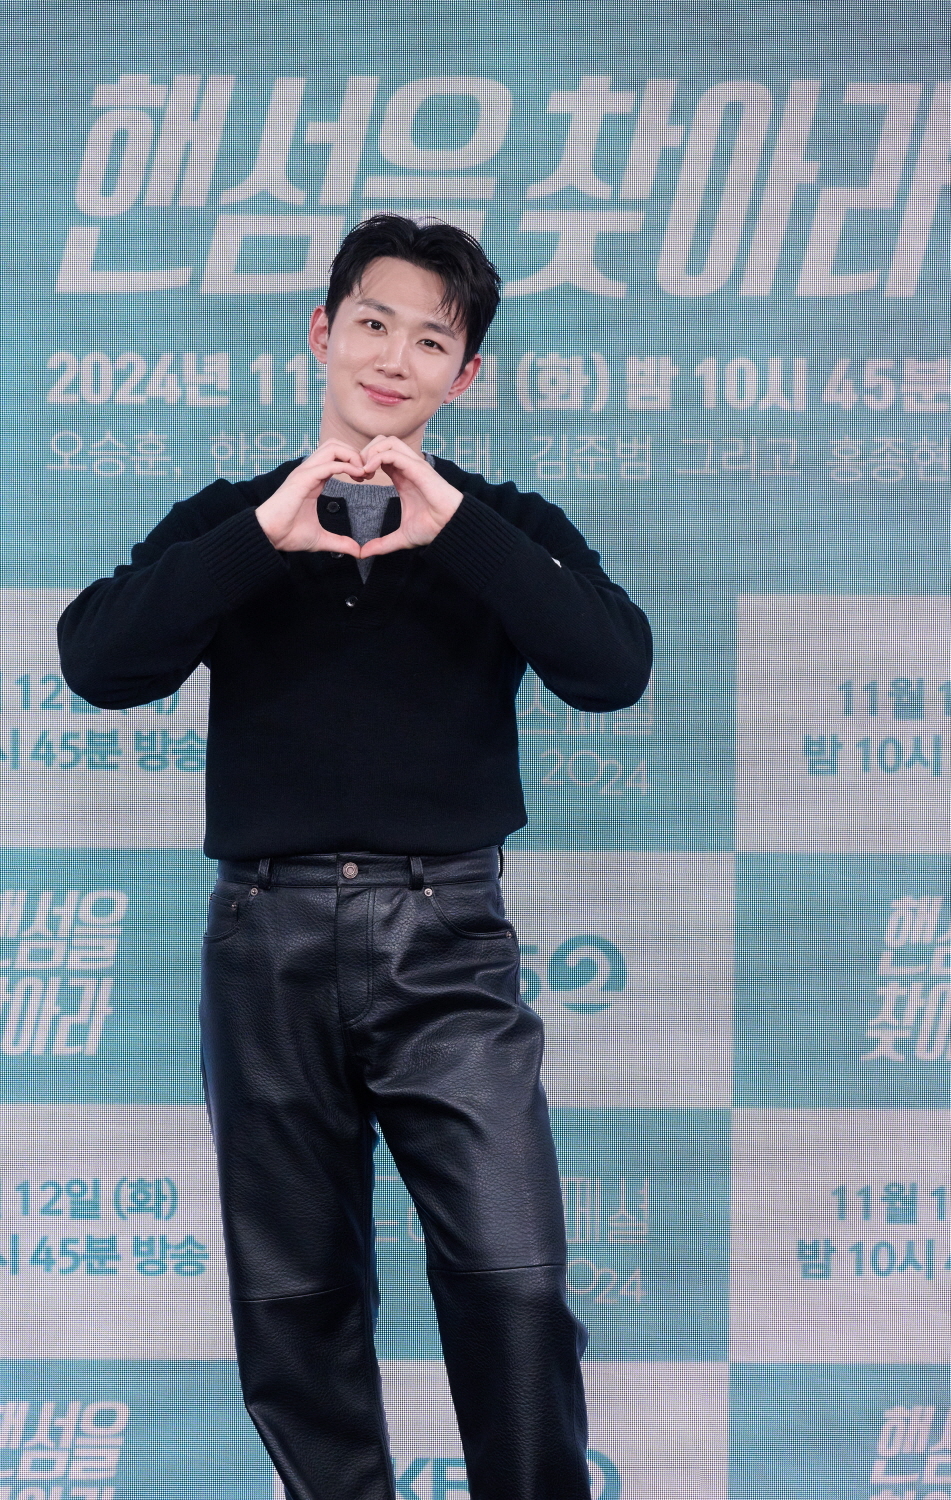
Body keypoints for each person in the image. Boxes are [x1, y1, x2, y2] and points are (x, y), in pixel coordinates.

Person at [58, 213, 653, 1500]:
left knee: (513, 1278)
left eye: (430, 341)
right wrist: (257, 540)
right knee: (295, 1300)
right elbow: (98, 663)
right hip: (263, 945)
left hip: (447, 944)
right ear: (323, 331)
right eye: (373, 323)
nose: (394, 357)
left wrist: (460, 530)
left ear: (464, 376)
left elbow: (612, 668)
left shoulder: (503, 525)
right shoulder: (237, 520)